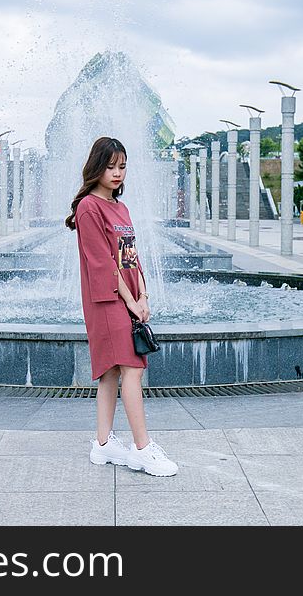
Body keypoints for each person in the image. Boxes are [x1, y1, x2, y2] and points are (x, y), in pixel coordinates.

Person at [64, 137, 178, 477]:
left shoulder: (121, 208)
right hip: (106, 299)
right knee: (132, 367)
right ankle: (143, 449)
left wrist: (144, 296)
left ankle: (102, 445)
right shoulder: (88, 208)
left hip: (125, 296)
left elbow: (130, 257)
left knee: (112, 371)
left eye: (122, 166)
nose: (117, 173)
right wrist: (130, 302)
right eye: (110, 166)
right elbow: (102, 264)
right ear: (96, 167)